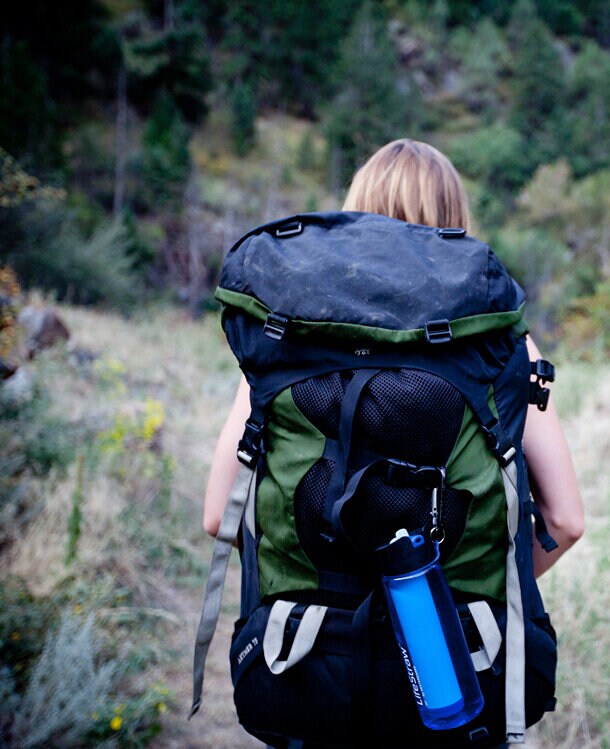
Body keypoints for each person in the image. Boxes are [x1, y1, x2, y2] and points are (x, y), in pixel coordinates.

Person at [203, 138, 583, 578]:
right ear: (453, 219)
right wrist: (495, 590)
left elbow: (218, 515)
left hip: (307, 632)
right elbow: (565, 522)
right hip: (451, 636)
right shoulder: (497, 338)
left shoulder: (286, 331)